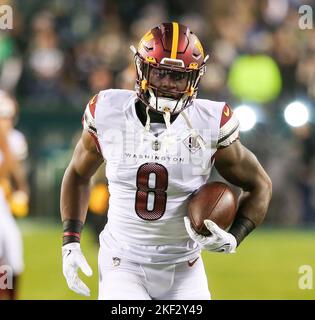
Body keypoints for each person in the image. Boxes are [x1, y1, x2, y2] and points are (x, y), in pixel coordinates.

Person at [61, 22, 272, 300]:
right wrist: (71, 242)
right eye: (160, 73)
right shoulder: (109, 112)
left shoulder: (209, 122)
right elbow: (78, 174)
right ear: (141, 68)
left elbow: (260, 185)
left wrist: (236, 236)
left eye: (178, 76)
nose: (169, 84)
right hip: (122, 263)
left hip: (185, 268)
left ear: (195, 79)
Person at [0, 91, 29, 300]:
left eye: (9, 117)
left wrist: (21, 191)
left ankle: (9, 294)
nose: (6, 122)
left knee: (12, 255)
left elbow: (16, 172)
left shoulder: (15, 139)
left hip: (2, 202)